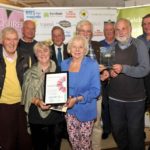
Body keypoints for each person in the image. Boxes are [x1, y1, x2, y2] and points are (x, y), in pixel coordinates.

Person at [109, 18, 150, 150]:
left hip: (135, 100)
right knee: (118, 131)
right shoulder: (110, 48)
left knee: (135, 134)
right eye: (118, 29)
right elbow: (108, 69)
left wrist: (124, 69)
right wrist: (109, 73)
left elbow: (145, 69)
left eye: (124, 28)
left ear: (130, 29)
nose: (120, 32)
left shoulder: (139, 44)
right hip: (114, 99)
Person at [21, 41, 67, 150]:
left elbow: (64, 94)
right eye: (39, 51)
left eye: (45, 50)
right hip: (36, 117)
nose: (42, 54)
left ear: (50, 52)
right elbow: (25, 95)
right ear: (35, 55)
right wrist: (37, 101)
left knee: (54, 147)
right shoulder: (29, 73)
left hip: (55, 116)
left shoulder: (59, 70)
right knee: (39, 147)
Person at [61, 35, 101, 150]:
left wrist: (77, 99)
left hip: (86, 110)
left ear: (85, 50)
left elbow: (96, 90)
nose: (77, 50)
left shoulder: (92, 64)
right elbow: (62, 86)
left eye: (81, 47)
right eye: (74, 47)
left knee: (84, 144)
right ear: (69, 49)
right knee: (74, 142)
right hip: (69, 111)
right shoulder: (64, 64)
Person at [0, 27, 32, 150]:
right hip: (3, 106)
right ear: (2, 40)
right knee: (7, 142)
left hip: (23, 105)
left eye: (15, 39)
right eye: (8, 39)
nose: (12, 43)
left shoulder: (26, 56)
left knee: (25, 141)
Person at [76, 20, 105, 150]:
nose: (86, 33)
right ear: (77, 32)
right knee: (78, 126)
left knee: (96, 124)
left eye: (88, 31)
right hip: (78, 95)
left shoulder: (98, 46)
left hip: (95, 93)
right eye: (83, 31)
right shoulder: (71, 47)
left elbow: (106, 65)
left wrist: (105, 73)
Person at [99, 20, 115, 139]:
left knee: (116, 106)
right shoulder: (98, 45)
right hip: (103, 80)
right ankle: (106, 129)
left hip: (117, 79)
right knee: (105, 106)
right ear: (103, 32)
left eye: (111, 29)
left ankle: (116, 128)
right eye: (106, 30)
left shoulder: (120, 44)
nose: (109, 32)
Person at [138, 14, 150, 107]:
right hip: (142, 81)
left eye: (149, 23)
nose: (146, 26)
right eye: (144, 24)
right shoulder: (138, 39)